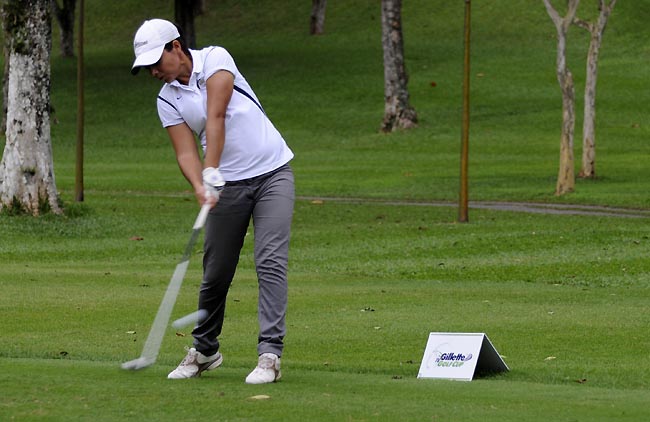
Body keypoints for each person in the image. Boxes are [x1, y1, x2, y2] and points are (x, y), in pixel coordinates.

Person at [131, 19, 295, 384]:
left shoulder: (216, 59)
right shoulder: (167, 99)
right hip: (226, 187)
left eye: (156, 61)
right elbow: (185, 152)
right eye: (147, 67)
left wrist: (211, 168)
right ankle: (205, 350)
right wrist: (200, 184)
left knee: (269, 262)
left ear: (176, 46)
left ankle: (270, 354)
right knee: (216, 273)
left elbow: (216, 115)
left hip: (272, 173)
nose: (154, 71)